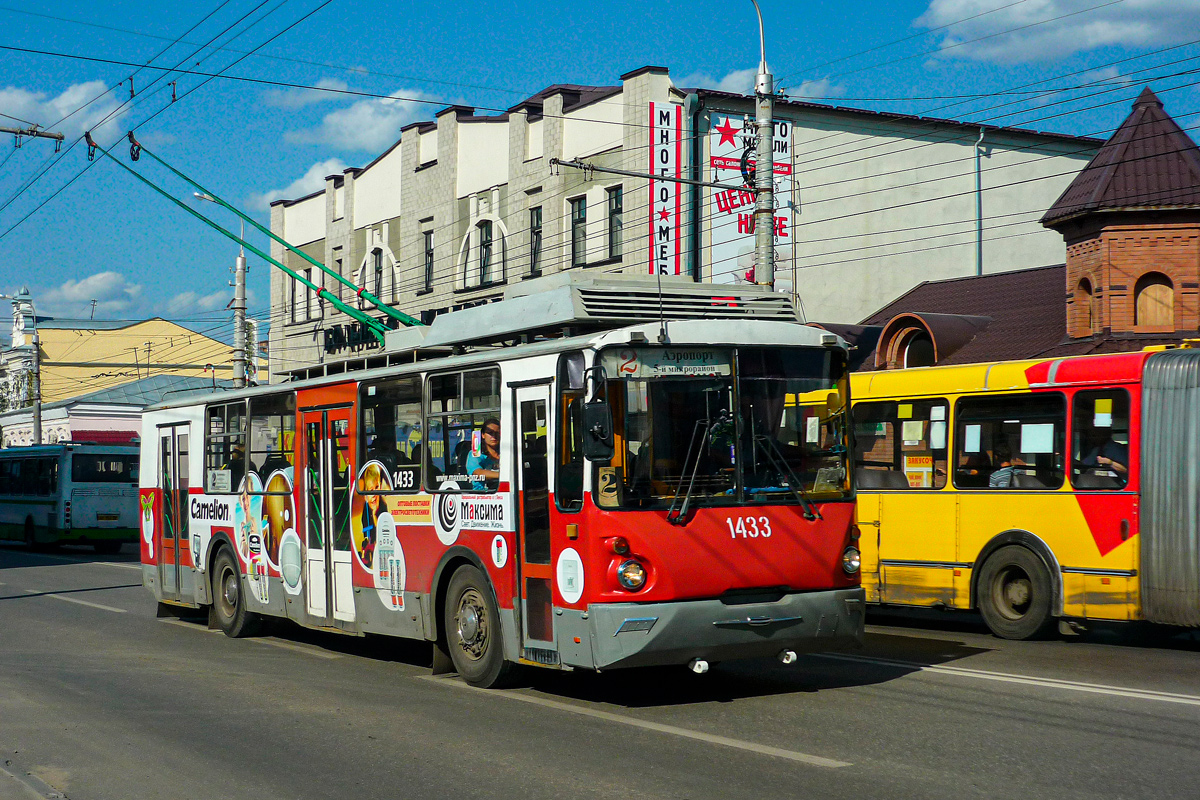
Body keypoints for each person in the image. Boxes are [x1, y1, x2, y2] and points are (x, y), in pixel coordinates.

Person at [357, 462, 388, 568]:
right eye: (370, 490)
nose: (374, 494)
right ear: (365, 495)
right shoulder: (366, 509)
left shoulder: (383, 507)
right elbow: (365, 525)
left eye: (377, 487)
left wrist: (375, 516)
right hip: (370, 539)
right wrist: (366, 538)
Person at [467, 417, 501, 491]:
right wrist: (503, 475)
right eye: (490, 433)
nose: (494, 436)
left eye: (497, 433)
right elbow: (477, 473)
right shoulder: (476, 453)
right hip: (482, 495)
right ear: (483, 435)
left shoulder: (505, 453)